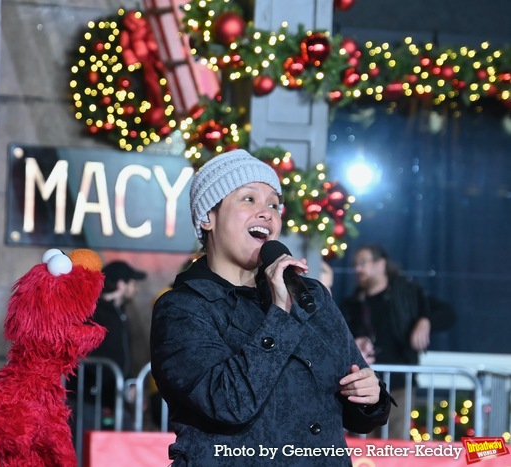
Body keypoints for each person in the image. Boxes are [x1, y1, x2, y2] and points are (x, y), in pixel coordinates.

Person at [150, 149, 392, 466]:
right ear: (208, 217)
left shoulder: (310, 295)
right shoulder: (182, 308)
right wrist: (279, 315)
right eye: (249, 199)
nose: (267, 213)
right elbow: (228, 403)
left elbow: (360, 413)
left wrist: (371, 397)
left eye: (274, 204)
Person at [339, 243, 431, 439]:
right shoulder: (352, 303)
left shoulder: (406, 295)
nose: (357, 269)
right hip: (362, 386)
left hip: (399, 386)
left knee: (395, 445)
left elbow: (445, 313)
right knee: (361, 446)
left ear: (380, 264)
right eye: (355, 264)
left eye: (363, 263)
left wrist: (425, 320)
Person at [68, 260, 146, 433]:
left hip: (111, 397)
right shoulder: (95, 313)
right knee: (84, 451)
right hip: (88, 398)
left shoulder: (118, 313)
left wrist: (127, 381)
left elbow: (117, 355)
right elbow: (90, 354)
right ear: (120, 284)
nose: (136, 289)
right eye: (132, 283)